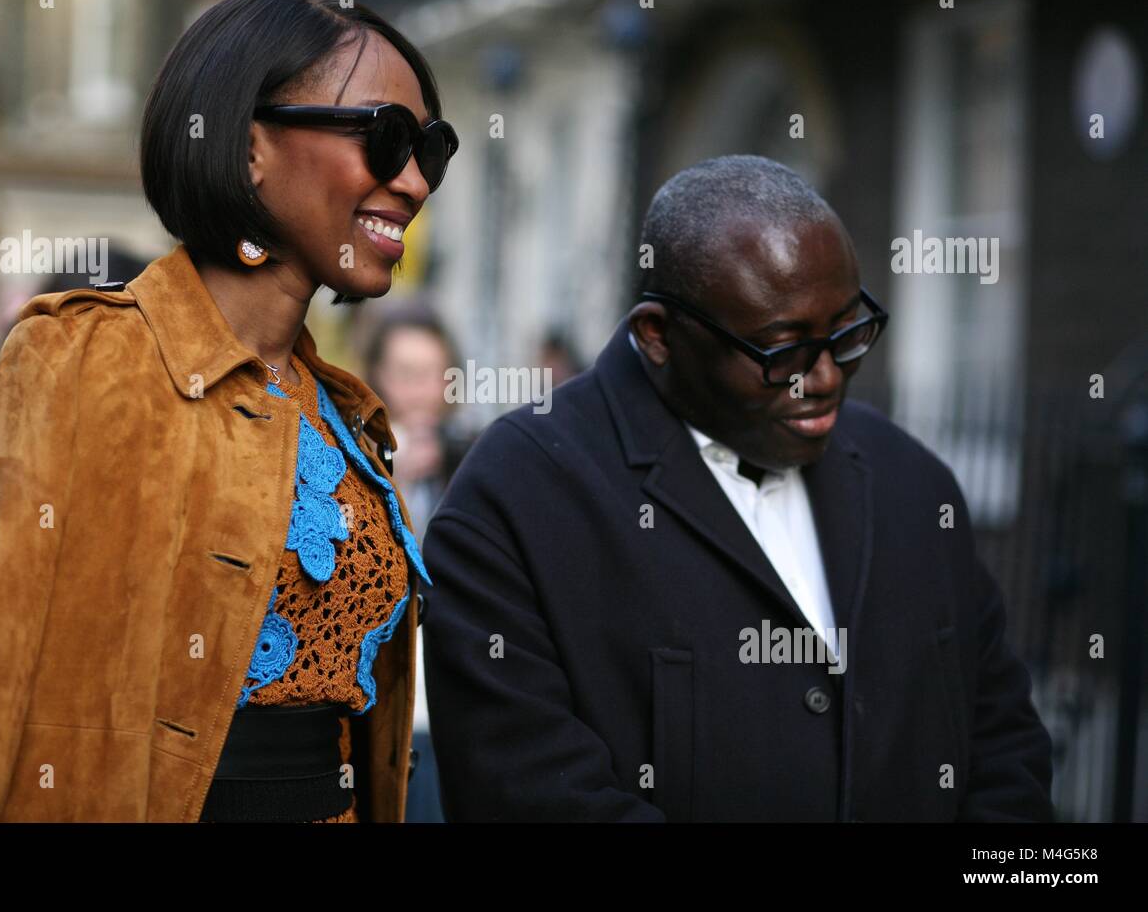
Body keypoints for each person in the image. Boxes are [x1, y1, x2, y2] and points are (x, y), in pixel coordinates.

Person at [0, 0, 458, 823]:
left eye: (432, 151)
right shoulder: (79, 357)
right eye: (385, 138)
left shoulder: (349, 418)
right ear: (248, 146)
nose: (413, 182)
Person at [422, 155, 1053, 822]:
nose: (828, 377)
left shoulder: (914, 482)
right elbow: (529, 796)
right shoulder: (517, 498)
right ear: (658, 335)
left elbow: (1003, 748)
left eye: (846, 332)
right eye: (781, 351)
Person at [363, 305, 471, 822]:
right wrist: (392, 478)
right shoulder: (352, 459)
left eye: (435, 376)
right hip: (378, 706)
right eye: (407, 375)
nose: (423, 392)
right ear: (378, 376)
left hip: (451, 706)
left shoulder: (473, 463)